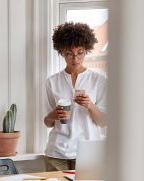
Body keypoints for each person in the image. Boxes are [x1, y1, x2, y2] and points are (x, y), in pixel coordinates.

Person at [43, 22, 107, 171]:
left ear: (86, 51)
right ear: (61, 52)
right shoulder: (52, 82)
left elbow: (103, 122)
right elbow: (47, 122)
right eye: (69, 53)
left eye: (80, 52)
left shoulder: (98, 80)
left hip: (88, 151)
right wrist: (54, 114)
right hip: (57, 153)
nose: (75, 58)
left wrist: (90, 105)